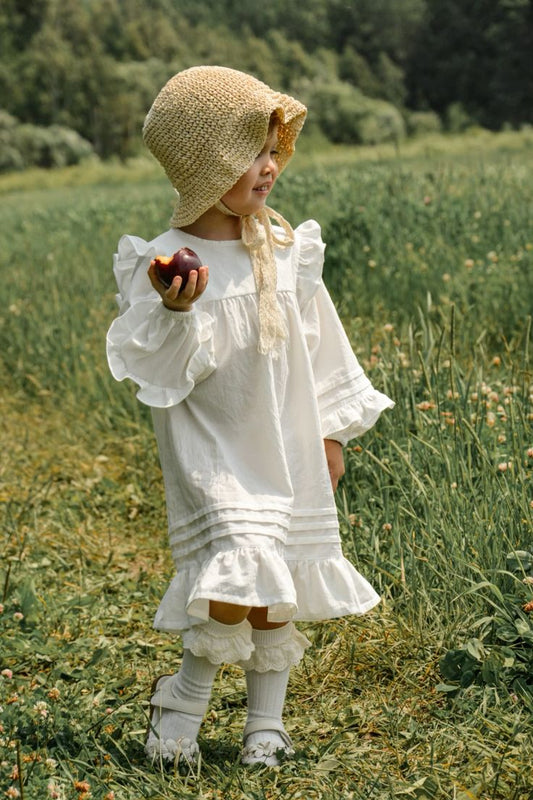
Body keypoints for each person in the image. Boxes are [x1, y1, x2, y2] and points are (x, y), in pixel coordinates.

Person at [106, 65, 394, 768]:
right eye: (250, 154)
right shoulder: (171, 263)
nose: (269, 167)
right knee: (237, 574)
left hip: (286, 440)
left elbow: (320, 346)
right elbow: (159, 373)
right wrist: (177, 311)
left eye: (272, 150)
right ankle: (182, 700)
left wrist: (329, 430)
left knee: (279, 586)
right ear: (204, 163)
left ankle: (266, 724)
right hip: (215, 447)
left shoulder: (289, 252)